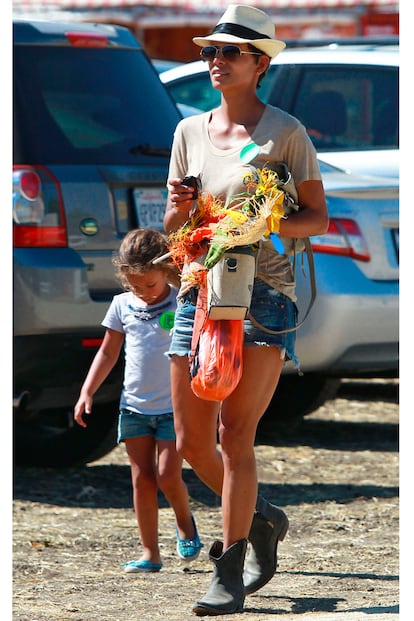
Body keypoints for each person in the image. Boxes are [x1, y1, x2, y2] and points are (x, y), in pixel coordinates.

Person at [163, 4, 329, 616]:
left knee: (237, 437)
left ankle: (228, 572)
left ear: (260, 62)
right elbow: (172, 224)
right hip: (197, 289)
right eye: (210, 51)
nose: (215, 60)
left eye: (230, 52)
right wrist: (183, 209)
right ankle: (262, 520)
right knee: (189, 442)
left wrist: (269, 219)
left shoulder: (285, 132)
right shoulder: (187, 132)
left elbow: (318, 216)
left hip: (263, 292)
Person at [74, 228, 203, 574]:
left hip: (172, 408)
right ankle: (150, 553)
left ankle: (185, 524)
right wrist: (88, 391)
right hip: (133, 407)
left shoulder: (182, 301)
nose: (143, 293)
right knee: (141, 479)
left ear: (167, 270)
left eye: (150, 285)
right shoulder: (121, 305)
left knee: (166, 474)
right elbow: (108, 352)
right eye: (135, 285)